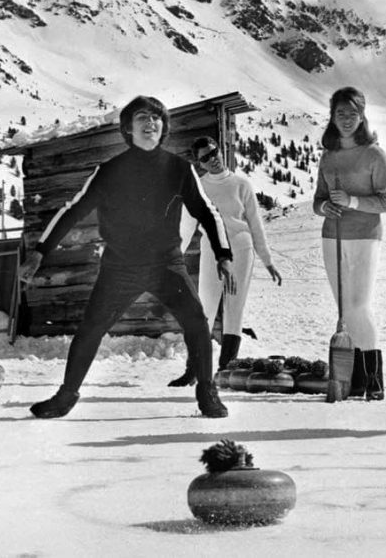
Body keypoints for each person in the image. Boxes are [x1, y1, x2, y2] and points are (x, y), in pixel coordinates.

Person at [17, 95, 236, 419]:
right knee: (90, 329)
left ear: (163, 128)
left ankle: (207, 393)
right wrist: (39, 252)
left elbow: (208, 212)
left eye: (156, 118)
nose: (150, 123)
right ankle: (65, 397)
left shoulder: (180, 169)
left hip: (167, 266)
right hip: (119, 267)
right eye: (142, 118)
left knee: (196, 322)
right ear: (128, 129)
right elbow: (72, 211)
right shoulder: (109, 171)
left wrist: (224, 255)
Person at [167, 136, 283, 387]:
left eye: (214, 153)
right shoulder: (198, 188)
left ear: (220, 150)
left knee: (234, 308)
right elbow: (186, 227)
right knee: (204, 310)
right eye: (205, 158)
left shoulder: (242, 184)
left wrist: (267, 260)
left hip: (242, 249)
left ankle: (225, 370)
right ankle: (194, 370)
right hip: (212, 251)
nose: (213, 160)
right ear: (199, 164)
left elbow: (255, 224)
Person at [313, 87, 386, 400]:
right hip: (331, 236)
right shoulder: (329, 156)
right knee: (346, 310)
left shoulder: (375, 154)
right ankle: (357, 379)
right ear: (332, 117)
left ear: (362, 116)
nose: (346, 119)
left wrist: (351, 201)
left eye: (352, 113)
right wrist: (325, 207)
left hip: (364, 236)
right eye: (340, 113)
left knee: (359, 306)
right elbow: (317, 200)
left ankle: (374, 379)